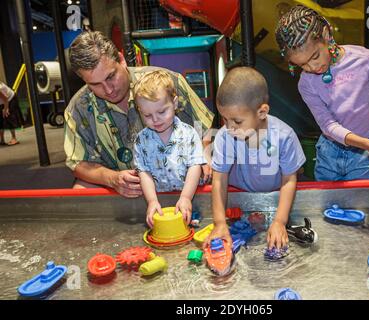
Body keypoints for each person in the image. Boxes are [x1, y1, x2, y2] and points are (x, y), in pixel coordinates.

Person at [64, 31, 214, 197]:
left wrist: (204, 156)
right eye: (95, 84)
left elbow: (202, 125)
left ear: (122, 60)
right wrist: (112, 179)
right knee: (79, 191)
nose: (108, 89)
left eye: (111, 77)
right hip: (119, 186)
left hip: (179, 175)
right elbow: (77, 163)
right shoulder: (77, 109)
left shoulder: (169, 82)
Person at [275, 5, 369, 181]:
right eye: (302, 65)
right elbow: (328, 125)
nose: (312, 68)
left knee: (361, 204)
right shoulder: (306, 83)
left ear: (326, 35)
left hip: (365, 153)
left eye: (315, 56)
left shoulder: (365, 59)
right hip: (329, 153)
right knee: (326, 205)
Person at [204, 67, 306, 250]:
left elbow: (289, 179)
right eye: (225, 119)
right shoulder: (225, 136)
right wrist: (219, 223)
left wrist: (280, 221)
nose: (229, 127)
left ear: (262, 112)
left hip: (275, 196)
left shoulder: (284, 136)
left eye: (237, 121)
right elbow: (219, 179)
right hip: (238, 197)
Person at [133, 70, 205, 227]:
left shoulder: (189, 134)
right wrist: (152, 201)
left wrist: (186, 197)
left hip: (191, 197)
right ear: (139, 111)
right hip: (161, 203)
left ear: (175, 103)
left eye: (161, 112)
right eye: (147, 115)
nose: (155, 120)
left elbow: (195, 166)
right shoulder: (141, 140)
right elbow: (143, 173)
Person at [0, 80, 22, 146]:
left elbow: (6, 99)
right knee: (0, 119)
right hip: (2, 101)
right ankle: (2, 140)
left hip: (10, 99)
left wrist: (5, 109)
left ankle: (14, 138)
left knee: (8, 116)